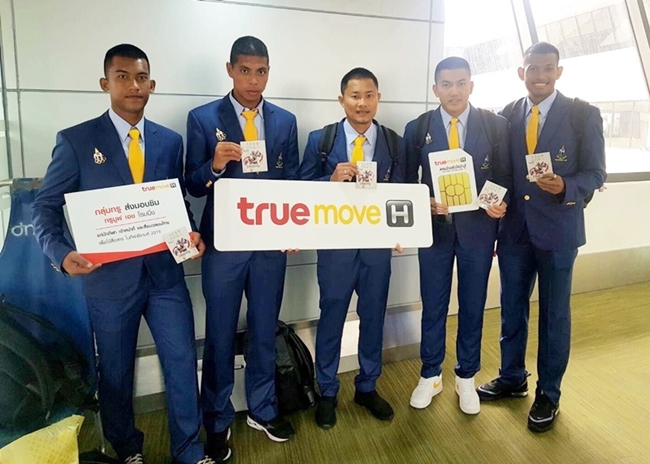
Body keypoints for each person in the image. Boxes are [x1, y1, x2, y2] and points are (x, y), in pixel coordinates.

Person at [32, 44, 213, 464]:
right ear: (105, 83)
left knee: (182, 361)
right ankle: (127, 447)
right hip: (109, 280)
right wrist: (61, 253)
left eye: (141, 77)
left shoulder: (169, 141)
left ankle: (189, 450)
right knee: (115, 371)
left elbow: (173, 200)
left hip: (165, 276)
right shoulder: (77, 141)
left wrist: (191, 233)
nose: (134, 85)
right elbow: (44, 206)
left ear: (152, 84)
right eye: (123, 77)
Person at [477, 42, 607, 433]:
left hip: (559, 231)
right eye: (533, 68)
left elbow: (596, 173)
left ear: (558, 71)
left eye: (548, 68)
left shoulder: (583, 114)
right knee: (512, 308)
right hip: (515, 231)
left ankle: (549, 393)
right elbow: (501, 171)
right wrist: (491, 203)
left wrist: (565, 185)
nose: (540, 75)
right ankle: (512, 377)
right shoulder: (507, 114)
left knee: (554, 315)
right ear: (521, 72)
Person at [185, 36, 299, 460]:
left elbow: (292, 185)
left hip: (270, 244)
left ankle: (263, 408)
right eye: (246, 70)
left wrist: (294, 228)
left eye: (261, 71)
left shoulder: (285, 121)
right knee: (219, 334)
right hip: (224, 246)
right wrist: (214, 165)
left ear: (269, 71)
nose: (254, 80)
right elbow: (192, 184)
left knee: (264, 329)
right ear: (230, 70)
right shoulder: (202, 118)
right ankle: (216, 420)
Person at [404, 57, 511, 415]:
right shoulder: (418, 128)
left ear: (471, 85)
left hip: (478, 230)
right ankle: (430, 374)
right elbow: (406, 182)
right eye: (447, 84)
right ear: (435, 89)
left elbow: (504, 175)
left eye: (461, 83)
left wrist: (496, 202)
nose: (454, 91)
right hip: (434, 231)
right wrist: (424, 201)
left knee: (472, 304)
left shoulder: (495, 125)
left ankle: (466, 376)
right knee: (433, 304)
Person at [299, 67, 405, 430]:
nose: (362, 103)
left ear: (378, 98)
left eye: (369, 95)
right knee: (331, 318)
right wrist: (329, 180)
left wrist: (403, 228)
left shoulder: (393, 142)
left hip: (377, 248)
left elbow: (403, 190)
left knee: (374, 317)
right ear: (341, 99)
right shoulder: (321, 139)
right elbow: (300, 190)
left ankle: (367, 386)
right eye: (355, 96)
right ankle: (327, 391)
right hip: (335, 248)